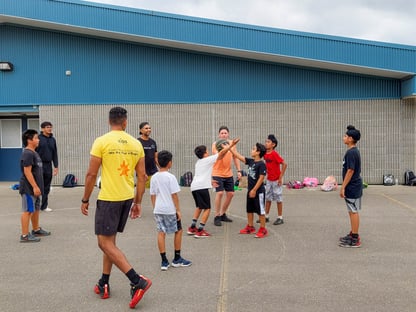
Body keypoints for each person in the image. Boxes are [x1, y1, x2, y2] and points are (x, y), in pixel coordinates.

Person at [80, 107, 151, 309]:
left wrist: (85, 199)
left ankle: (137, 280)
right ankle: (104, 282)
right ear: (125, 122)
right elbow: (142, 177)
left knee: (104, 244)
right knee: (109, 241)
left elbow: (91, 175)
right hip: (126, 198)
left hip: (109, 198)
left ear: (109, 121)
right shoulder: (136, 143)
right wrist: (138, 202)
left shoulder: (102, 141)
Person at [187, 138, 240, 238]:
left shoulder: (198, 162)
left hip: (194, 187)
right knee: (207, 209)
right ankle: (200, 230)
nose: (208, 152)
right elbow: (221, 153)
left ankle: (192, 227)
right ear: (205, 153)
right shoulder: (208, 159)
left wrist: (210, 181)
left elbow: (201, 175)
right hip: (201, 187)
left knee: (199, 207)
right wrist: (231, 145)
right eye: (207, 151)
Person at [150, 150, 192, 271]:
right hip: (169, 209)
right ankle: (177, 258)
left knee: (161, 233)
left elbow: (152, 195)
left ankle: (164, 261)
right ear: (169, 163)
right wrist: (178, 210)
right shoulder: (171, 177)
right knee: (178, 230)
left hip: (158, 209)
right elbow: (174, 195)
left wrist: (155, 207)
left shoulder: (154, 177)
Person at [230, 143, 268, 238]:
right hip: (250, 190)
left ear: (258, 152)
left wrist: (254, 190)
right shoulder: (251, 161)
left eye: (253, 149)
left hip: (258, 192)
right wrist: (230, 147)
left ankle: (263, 229)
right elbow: (238, 156)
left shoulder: (261, 164)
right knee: (249, 209)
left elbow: (261, 178)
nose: (251, 150)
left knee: (260, 210)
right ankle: (250, 227)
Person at [19, 129, 51, 242]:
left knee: (36, 209)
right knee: (28, 210)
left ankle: (36, 229)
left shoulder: (34, 153)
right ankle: (24, 236)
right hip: (28, 188)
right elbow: (27, 171)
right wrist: (35, 186)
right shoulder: (27, 153)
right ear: (29, 140)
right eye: (36, 138)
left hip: (36, 188)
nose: (38, 140)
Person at [212, 126, 242, 226]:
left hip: (228, 173)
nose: (224, 134)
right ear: (219, 135)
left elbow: (236, 157)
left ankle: (222, 214)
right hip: (217, 173)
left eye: (225, 133)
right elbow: (220, 155)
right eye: (222, 133)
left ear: (228, 134)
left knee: (231, 194)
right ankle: (216, 216)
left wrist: (239, 170)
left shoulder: (232, 144)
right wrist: (229, 146)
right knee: (220, 193)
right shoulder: (216, 144)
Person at [339, 125, 362, 248]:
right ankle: (353, 232)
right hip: (353, 186)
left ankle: (355, 238)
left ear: (351, 139)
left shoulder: (351, 153)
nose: (344, 138)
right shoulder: (353, 151)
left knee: (353, 212)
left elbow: (350, 170)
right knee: (351, 211)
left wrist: (343, 187)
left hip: (352, 186)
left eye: (345, 136)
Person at [262, 134, 287, 225]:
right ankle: (266, 216)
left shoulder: (274, 154)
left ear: (273, 144)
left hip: (276, 180)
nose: (266, 143)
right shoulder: (265, 154)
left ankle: (280, 217)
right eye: (266, 141)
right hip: (269, 180)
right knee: (268, 198)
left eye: (268, 142)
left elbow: (284, 164)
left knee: (278, 198)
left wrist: (280, 177)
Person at [35, 121, 58, 212]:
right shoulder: (38, 139)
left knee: (46, 186)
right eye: (47, 127)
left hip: (48, 165)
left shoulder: (53, 140)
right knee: (37, 185)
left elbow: (55, 153)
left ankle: (44, 206)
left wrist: (56, 166)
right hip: (38, 165)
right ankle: (35, 204)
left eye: (50, 127)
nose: (49, 128)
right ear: (43, 128)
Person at [138, 122, 158, 188]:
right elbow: (136, 159)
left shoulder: (153, 142)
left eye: (149, 128)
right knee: (143, 193)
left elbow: (156, 157)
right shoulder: (138, 142)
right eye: (146, 128)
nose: (148, 130)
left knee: (154, 192)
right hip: (143, 173)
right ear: (141, 130)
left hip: (154, 172)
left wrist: (162, 168)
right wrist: (142, 172)